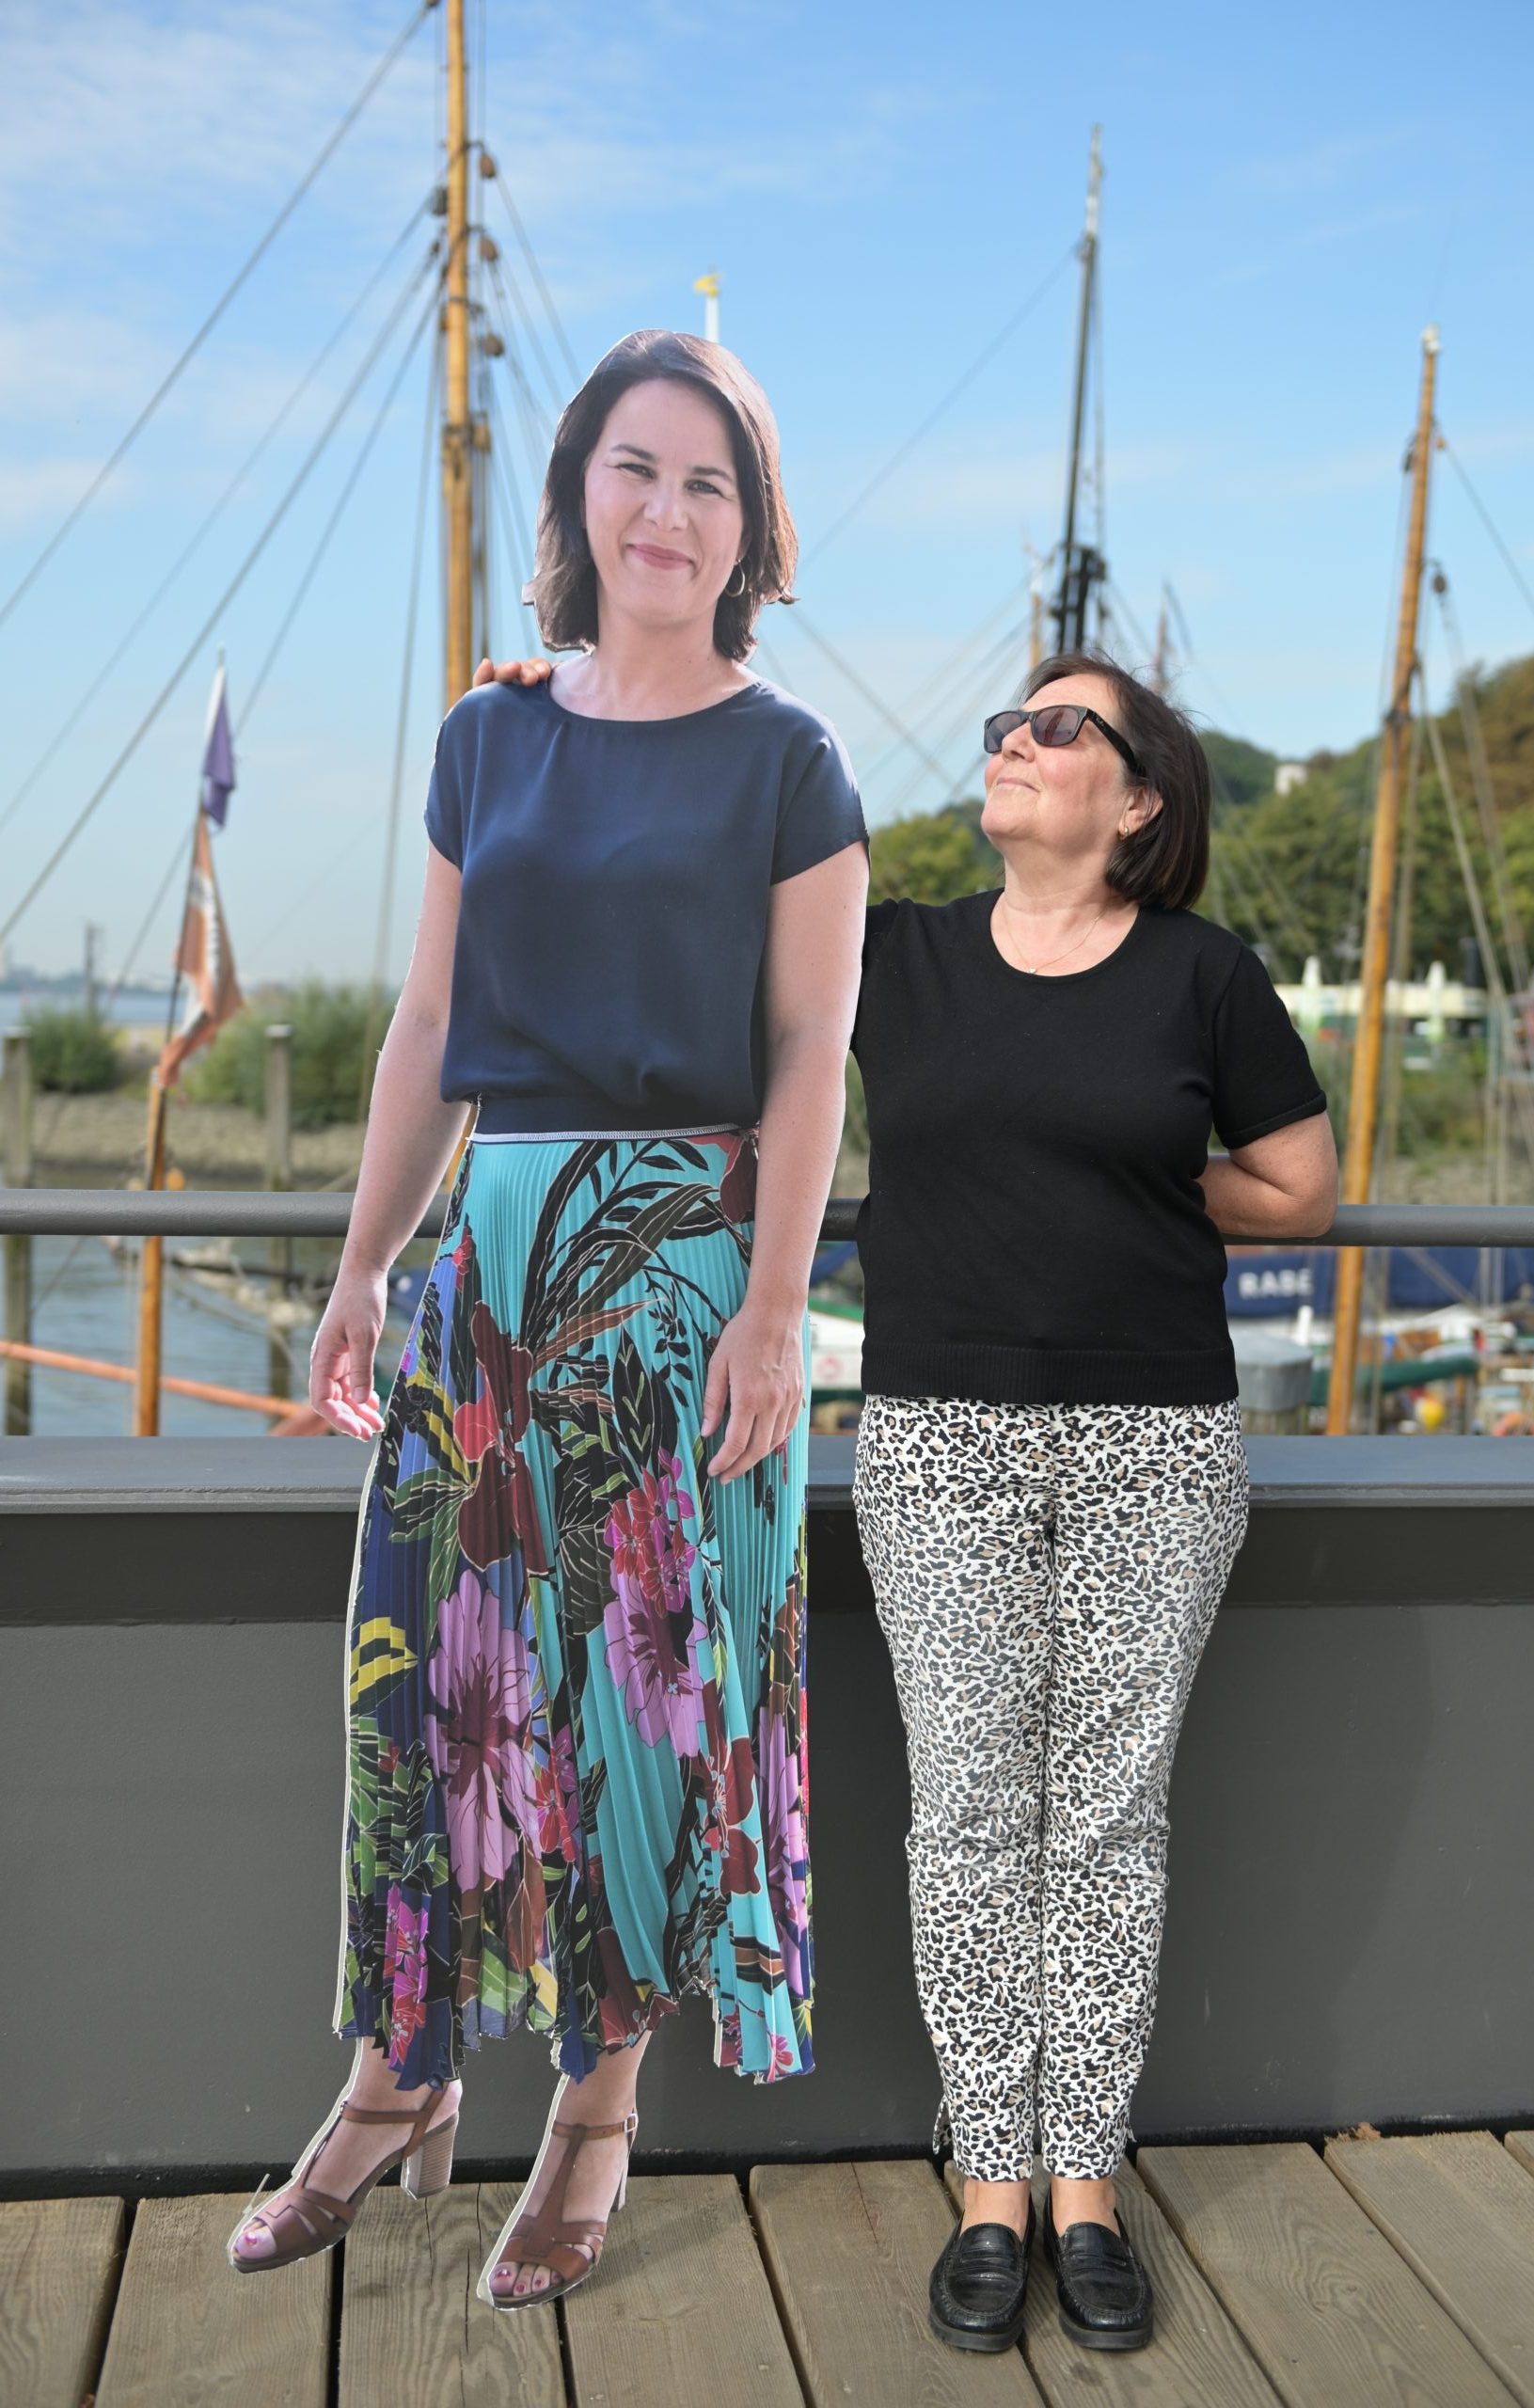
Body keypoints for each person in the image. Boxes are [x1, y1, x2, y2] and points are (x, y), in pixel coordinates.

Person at [226, 329, 868, 2311]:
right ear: (577, 489)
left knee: (641, 1714)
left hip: (683, 1276)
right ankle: (390, 2075)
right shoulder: (484, 736)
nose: (667, 511)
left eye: (710, 486)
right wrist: (357, 1265)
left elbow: (812, 1043)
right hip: (486, 1272)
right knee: (429, 1693)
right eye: (638, 468)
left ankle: (595, 2108)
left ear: (746, 534)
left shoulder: (791, 759)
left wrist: (778, 1303)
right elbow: (427, 1025)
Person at [849, 652, 1337, 2353]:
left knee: (1109, 1820)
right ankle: (990, 2177)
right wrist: (568, 709)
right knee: (971, 1811)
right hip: (937, 1436)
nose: (1016, 739)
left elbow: (1301, 1181)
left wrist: (1139, 1169)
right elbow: (706, 881)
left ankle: (1085, 2182)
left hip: (1154, 1442)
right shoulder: (890, 951)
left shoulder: (1205, 977)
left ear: (1136, 801)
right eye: (1009, 720)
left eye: (1061, 727)